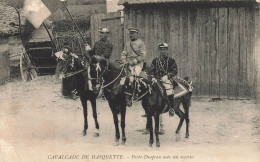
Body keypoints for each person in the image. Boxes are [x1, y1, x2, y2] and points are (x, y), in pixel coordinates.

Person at [150, 43, 178, 117]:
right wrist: (152, 77)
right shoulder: (155, 60)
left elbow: (174, 70)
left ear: (167, 50)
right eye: (161, 50)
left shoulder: (171, 60)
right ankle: (149, 109)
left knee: (168, 90)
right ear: (158, 50)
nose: (162, 51)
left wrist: (167, 76)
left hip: (166, 80)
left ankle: (171, 108)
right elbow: (152, 70)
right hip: (156, 80)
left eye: (164, 50)